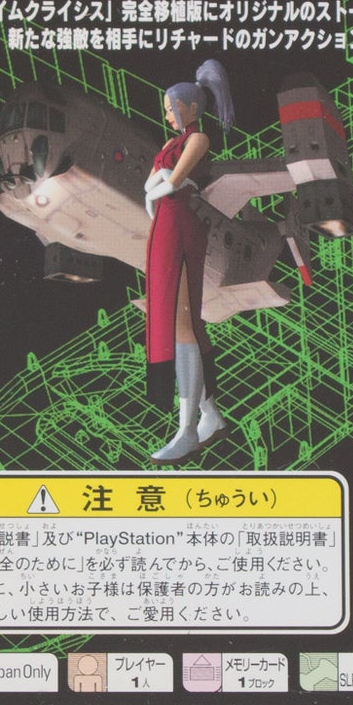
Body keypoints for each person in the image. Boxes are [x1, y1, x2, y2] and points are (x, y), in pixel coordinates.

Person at [143, 60, 235, 462]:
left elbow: (172, 181)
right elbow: (155, 182)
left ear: (192, 108)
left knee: (182, 324)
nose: (167, 114)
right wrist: (156, 189)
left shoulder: (198, 139)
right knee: (178, 322)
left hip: (179, 225)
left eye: (172, 107)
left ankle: (187, 432)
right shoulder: (171, 143)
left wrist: (157, 190)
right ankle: (209, 416)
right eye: (166, 108)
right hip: (164, 226)